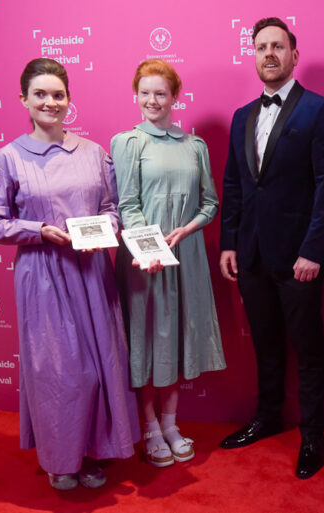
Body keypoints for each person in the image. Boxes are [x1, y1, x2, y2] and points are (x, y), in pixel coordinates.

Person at [0, 58, 139, 490]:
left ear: (69, 99)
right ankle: (60, 459)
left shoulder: (93, 153)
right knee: (60, 372)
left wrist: (106, 229)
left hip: (92, 271)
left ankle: (91, 450)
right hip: (43, 275)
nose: (50, 102)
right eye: (40, 94)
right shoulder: (7, 159)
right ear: (23, 100)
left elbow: (111, 208)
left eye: (58, 94)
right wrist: (38, 231)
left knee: (100, 365)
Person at [219, 17, 324, 479]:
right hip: (251, 253)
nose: (269, 54)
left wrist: (314, 250)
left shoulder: (320, 110)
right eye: (261, 47)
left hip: (299, 258)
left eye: (277, 46)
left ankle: (312, 434)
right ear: (253, 55)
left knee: (308, 349)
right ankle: (267, 416)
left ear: (294, 54)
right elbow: (235, 183)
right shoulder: (241, 116)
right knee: (265, 343)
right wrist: (229, 242)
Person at [112, 59, 226, 467]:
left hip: (187, 256)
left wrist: (188, 229)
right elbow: (127, 204)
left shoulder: (195, 146)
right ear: (136, 95)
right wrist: (150, 250)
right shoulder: (128, 142)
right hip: (145, 260)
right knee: (146, 338)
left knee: (176, 338)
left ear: (175, 96)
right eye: (145, 93)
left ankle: (171, 424)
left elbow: (210, 204)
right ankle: (149, 428)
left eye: (160, 93)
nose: (152, 101)